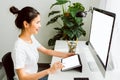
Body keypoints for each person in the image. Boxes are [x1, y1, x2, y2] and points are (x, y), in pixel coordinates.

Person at [10, 6, 74, 80]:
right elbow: (22, 77)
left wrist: (67, 55)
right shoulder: (18, 48)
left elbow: (47, 51)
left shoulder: (31, 38)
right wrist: (49, 70)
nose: (40, 25)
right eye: (37, 22)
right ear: (26, 24)